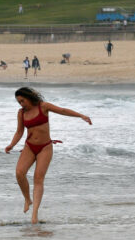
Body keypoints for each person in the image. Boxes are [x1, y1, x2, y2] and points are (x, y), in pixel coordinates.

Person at [5, 87, 92, 224]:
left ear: (29, 97)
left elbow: (62, 110)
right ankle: (28, 199)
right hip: (29, 146)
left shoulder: (43, 106)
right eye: (19, 102)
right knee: (19, 173)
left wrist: (81, 116)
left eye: (23, 100)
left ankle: (34, 215)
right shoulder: (21, 113)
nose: (21, 104)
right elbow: (19, 132)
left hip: (45, 147)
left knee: (38, 179)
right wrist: (12, 144)